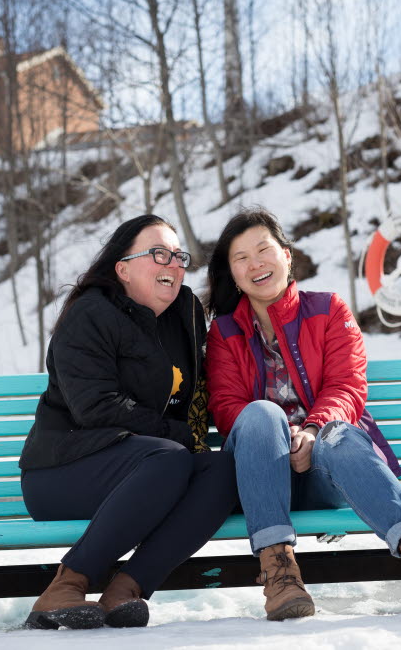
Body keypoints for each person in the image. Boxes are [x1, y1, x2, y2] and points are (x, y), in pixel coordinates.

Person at [205, 207, 401, 621]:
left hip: (330, 471)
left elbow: (347, 386)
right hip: (262, 475)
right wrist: (278, 434)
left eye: (263, 250)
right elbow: (225, 406)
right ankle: (280, 576)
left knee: (337, 434)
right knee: (260, 415)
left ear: (286, 255)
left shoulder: (327, 310)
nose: (255, 264)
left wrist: (311, 430)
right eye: (241, 258)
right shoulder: (224, 334)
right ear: (231, 273)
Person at [19, 214, 237, 630]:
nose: (172, 264)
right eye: (159, 254)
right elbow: (96, 407)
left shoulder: (186, 313)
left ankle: (127, 589)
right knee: (171, 459)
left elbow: (198, 389)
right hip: (63, 471)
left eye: (179, 256)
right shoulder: (90, 315)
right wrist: (179, 438)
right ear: (122, 268)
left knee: (224, 468)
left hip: (152, 466)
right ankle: (67, 584)